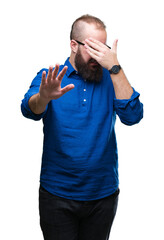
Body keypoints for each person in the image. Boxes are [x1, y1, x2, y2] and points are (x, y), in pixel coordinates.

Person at [21, 14, 143, 240]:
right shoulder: (51, 77)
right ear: (73, 45)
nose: (98, 55)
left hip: (103, 195)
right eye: (91, 47)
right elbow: (30, 110)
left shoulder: (112, 78)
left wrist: (115, 68)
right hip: (57, 195)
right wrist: (44, 97)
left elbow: (133, 116)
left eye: (103, 48)